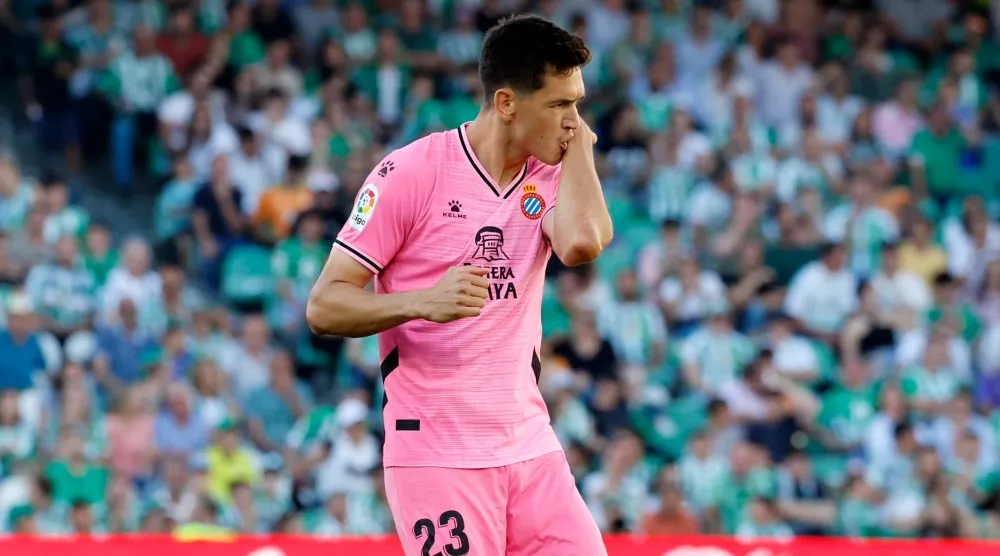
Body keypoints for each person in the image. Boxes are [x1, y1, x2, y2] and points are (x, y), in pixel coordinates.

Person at [306, 15, 612, 556]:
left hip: (529, 446)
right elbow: (325, 305)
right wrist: (422, 301)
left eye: (578, 103)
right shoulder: (412, 173)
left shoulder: (549, 173)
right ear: (506, 103)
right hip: (438, 454)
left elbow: (582, 244)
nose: (573, 120)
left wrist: (581, 149)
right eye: (560, 105)